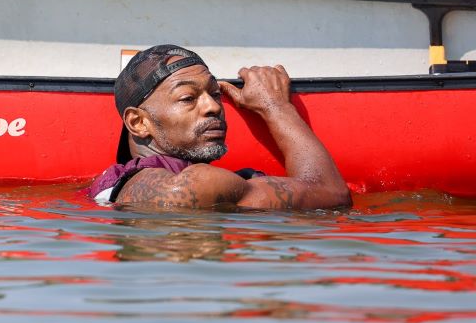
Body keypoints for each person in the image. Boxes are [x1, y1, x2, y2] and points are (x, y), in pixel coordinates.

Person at [88, 44, 351, 210]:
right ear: (138, 122)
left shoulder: (114, 185)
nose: (213, 107)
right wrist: (275, 107)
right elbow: (331, 194)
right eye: (188, 98)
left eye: (215, 94)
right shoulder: (199, 185)